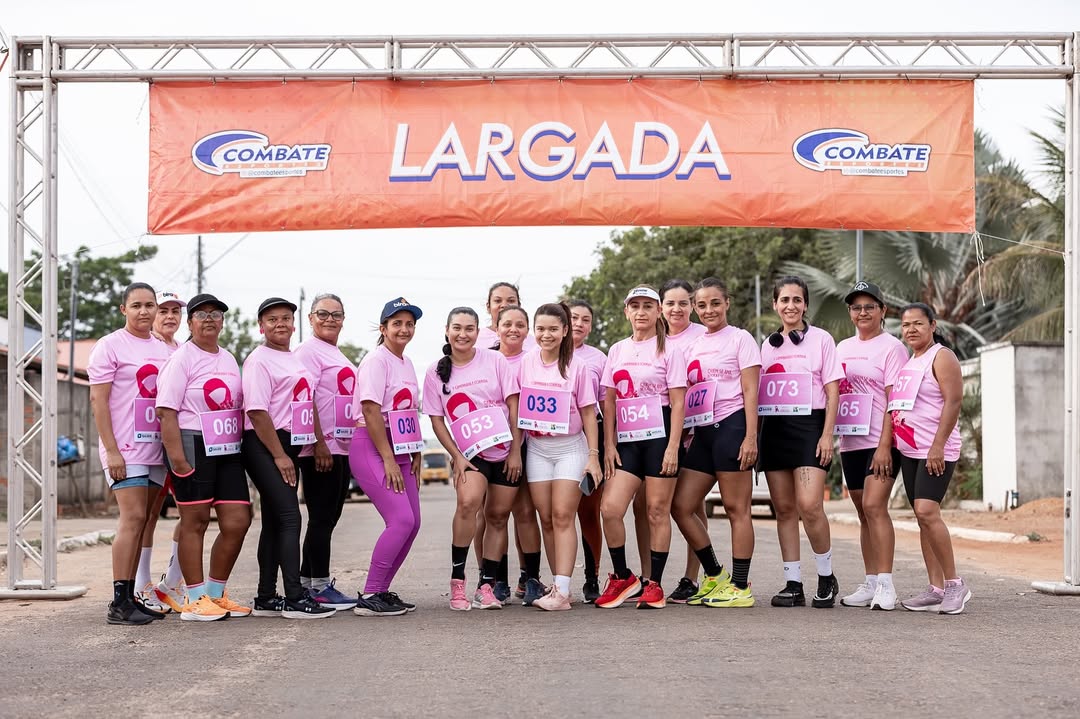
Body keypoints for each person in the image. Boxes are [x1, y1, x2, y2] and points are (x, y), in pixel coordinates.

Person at [155, 293, 252, 621]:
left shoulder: (227, 358)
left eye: (216, 314)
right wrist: (177, 458)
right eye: (201, 314)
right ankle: (194, 600)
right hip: (191, 442)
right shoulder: (182, 358)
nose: (209, 319)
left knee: (238, 520)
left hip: (226, 447)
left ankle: (215, 593)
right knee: (194, 521)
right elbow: (166, 412)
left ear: (223, 321)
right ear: (190, 322)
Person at [423, 307, 523, 611]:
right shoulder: (435, 371)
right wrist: (456, 455)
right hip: (471, 455)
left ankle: (487, 586)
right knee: (468, 504)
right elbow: (437, 419)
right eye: (457, 328)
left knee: (497, 517)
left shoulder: (494, 360)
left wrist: (517, 451)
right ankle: (457, 583)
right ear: (447, 330)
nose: (462, 334)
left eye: (469, 329)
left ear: (478, 333)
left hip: (505, 452)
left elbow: (514, 405)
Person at [242, 297, 335, 619]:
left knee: (273, 521)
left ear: (294, 324)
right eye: (272, 319)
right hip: (264, 443)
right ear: (261, 326)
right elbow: (256, 411)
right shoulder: (259, 360)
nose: (280, 324)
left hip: (291, 443)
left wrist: (312, 442)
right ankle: (295, 596)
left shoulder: (293, 359)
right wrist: (280, 455)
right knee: (290, 517)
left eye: (285, 318)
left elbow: (304, 402)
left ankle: (266, 596)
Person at [595, 286, 687, 609]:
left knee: (657, 511)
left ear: (658, 311)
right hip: (628, 439)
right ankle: (623, 577)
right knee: (610, 508)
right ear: (626, 312)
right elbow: (608, 399)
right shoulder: (617, 350)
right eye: (635, 306)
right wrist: (609, 443)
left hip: (660, 435)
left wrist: (673, 446)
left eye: (648, 306)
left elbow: (678, 402)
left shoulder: (670, 350)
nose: (641, 312)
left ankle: (656, 584)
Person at [672, 278, 761, 607]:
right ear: (696, 308)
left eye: (715, 303)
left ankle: (740, 587)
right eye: (702, 305)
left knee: (737, 509)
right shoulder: (691, 346)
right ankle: (715, 574)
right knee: (680, 506)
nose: (709, 310)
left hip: (732, 427)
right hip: (702, 433)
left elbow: (752, 391)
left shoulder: (741, 339)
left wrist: (751, 437)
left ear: (727, 303)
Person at [88, 282, 173, 625]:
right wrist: (111, 450)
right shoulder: (109, 346)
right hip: (124, 448)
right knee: (133, 518)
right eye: (136, 305)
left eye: (149, 305)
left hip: (156, 449)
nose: (144, 311)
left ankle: (133, 597)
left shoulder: (167, 350)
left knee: (145, 523)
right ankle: (118, 602)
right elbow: (99, 401)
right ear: (123, 309)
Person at [759, 275, 845, 609]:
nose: (791, 306)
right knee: (783, 509)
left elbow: (833, 388)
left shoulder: (822, 339)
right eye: (784, 300)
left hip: (810, 425)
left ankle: (826, 576)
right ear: (775, 305)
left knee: (810, 506)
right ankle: (793, 583)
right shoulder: (768, 345)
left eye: (797, 300)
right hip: (775, 427)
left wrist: (827, 434)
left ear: (805, 305)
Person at [518, 303, 603, 610]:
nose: (546, 335)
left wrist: (593, 455)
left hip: (570, 448)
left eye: (553, 329)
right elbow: (518, 409)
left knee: (564, 516)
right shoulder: (526, 362)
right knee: (547, 519)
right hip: (538, 449)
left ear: (565, 331)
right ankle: (556, 585)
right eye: (540, 329)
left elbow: (589, 413)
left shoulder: (576, 366)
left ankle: (563, 592)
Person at [892, 303, 971, 614]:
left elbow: (954, 401)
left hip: (935, 450)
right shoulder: (912, 360)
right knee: (923, 518)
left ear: (933, 325)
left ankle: (955, 584)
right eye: (906, 324)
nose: (911, 329)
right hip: (910, 450)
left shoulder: (942, 356)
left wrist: (937, 445)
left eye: (918, 323)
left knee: (927, 511)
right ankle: (935, 588)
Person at [349, 297, 425, 616]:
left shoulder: (405, 363)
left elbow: (409, 411)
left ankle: (381, 590)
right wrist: (389, 459)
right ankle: (370, 594)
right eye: (397, 323)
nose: (404, 329)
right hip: (373, 447)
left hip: (402, 448)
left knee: (414, 523)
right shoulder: (376, 361)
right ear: (383, 328)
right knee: (401, 520)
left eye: (409, 324)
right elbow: (370, 409)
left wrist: (415, 452)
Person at [835, 282, 908, 611]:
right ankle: (869, 581)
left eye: (869, 306)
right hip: (850, 441)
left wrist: (884, 445)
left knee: (876, 508)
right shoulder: (841, 348)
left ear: (883, 311)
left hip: (881, 441)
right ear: (850, 313)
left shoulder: (892, 348)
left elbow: (896, 400)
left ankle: (886, 584)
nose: (862, 312)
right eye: (856, 307)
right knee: (864, 514)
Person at [294, 294, 358, 611]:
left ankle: (310, 582)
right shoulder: (308, 352)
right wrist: (319, 442)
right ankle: (317, 586)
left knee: (329, 518)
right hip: (321, 449)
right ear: (310, 318)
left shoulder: (334, 352)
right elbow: (306, 397)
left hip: (341, 446)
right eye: (323, 313)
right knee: (321, 518)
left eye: (336, 314)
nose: (330, 319)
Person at [135, 290, 185, 614]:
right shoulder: (142, 349)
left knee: (192, 511)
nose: (169, 316)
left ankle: (173, 582)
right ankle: (141, 585)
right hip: (147, 445)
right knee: (147, 514)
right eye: (162, 310)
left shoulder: (184, 351)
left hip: (181, 443)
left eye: (174, 311)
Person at [659, 278, 709, 603]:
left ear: (691, 305)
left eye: (682, 303)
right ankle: (651, 579)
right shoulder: (654, 339)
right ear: (661, 307)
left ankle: (694, 576)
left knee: (691, 505)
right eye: (670, 303)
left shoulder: (704, 336)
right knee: (653, 506)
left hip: (699, 428)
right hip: (660, 430)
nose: (676, 309)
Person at [494, 305, 545, 606]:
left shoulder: (535, 359)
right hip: (490, 445)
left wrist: (517, 448)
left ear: (528, 330)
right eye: (507, 324)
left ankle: (532, 578)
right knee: (495, 515)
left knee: (525, 513)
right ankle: (495, 580)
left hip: (526, 444)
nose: (513, 329)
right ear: (496, 327)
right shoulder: (485, 358)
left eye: (520, 324)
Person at [569, 300, 607, 603]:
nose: (579, 324)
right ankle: (547, 578)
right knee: (552, 513)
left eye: (585, 319)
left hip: (591, 437)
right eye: (573, 318)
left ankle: (592, 577)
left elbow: (606, 404)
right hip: (550, 440)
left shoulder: (598, 358)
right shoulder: (539, 354)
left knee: (589, 513)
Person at [477, 281, 537, 351]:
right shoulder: (476, 339)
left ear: (519, 306)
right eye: (497, 300)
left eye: (511, 301)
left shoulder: (533, 344)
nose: (504, 305)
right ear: (488, 307)